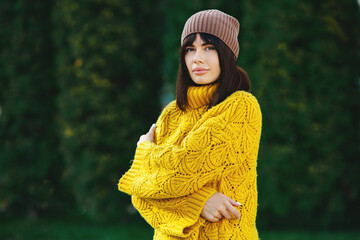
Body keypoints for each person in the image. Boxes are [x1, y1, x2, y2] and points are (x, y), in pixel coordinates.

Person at [118, 9, 262, 240]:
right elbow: (140, 193)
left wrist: (144, 152)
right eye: (190, 49)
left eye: (209, 48)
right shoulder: (171, 114)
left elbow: (183, 167)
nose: (197, 58)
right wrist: (200, 200)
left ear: (227, 55)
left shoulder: (241, 106)